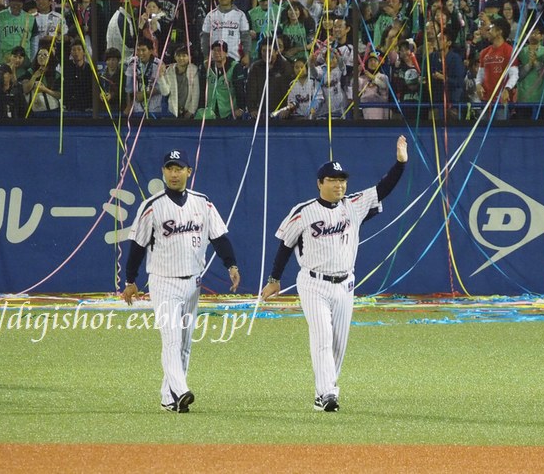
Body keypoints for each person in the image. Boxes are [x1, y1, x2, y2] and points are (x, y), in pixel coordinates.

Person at [260, 136, 409, 411]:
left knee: (338, 343)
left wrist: (400, 163)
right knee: (322, 338)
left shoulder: (353, 206)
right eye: (332, 179)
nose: (339, 184)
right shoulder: (304, 212)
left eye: (342, 180)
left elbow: (382, 189)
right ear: (320, 183)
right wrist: (274, 279)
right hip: (313, 283)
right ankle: (328, 393)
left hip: (345, 284)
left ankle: (324, 393)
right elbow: (285, 245)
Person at [122, 149, 240, 413]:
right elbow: (137, 246)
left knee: (185, 344)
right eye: (169, 168)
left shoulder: (202, 203)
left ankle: (169, 398)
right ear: (163, 172)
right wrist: (130, 279)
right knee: (172, 340)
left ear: (189, 171)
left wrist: (231, 265)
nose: (174, 174)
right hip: (163, 282)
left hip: (192, 284)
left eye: (179, 168)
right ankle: (181, 389)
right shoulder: (152, 206)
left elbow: (219, 237)